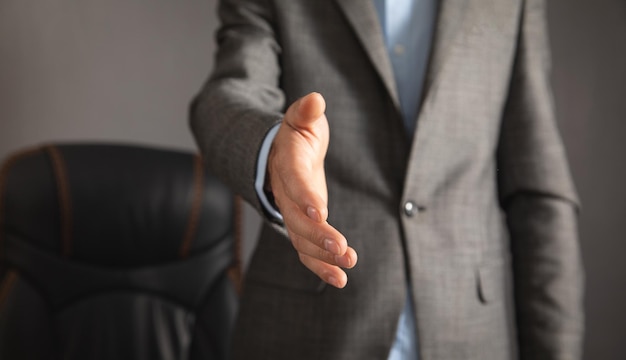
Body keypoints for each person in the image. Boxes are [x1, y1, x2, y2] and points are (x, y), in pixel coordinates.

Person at [190, 0, 584, 359]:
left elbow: (538, 188)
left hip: (469, 336)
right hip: (306, 333)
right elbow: (229, 93)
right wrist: (274, 150)